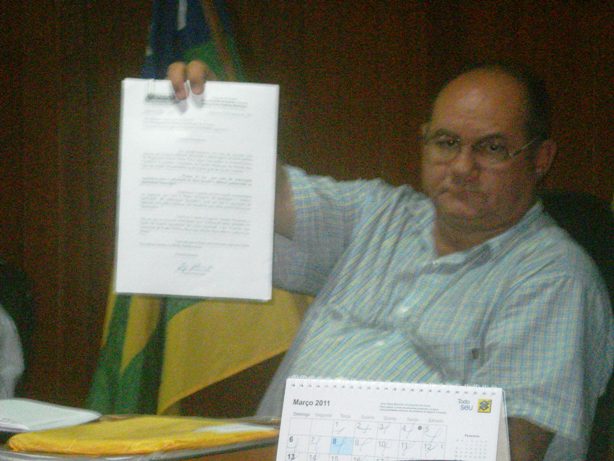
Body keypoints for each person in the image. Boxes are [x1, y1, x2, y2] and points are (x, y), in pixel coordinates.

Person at [167, 60, 613, 460]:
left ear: (540, 158)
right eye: (446, 142)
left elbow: (510, 449)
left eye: (492, 148)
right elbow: (270, 196)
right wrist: (217, 120)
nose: (462, 167)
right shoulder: (380, 214)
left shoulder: (554, 280)